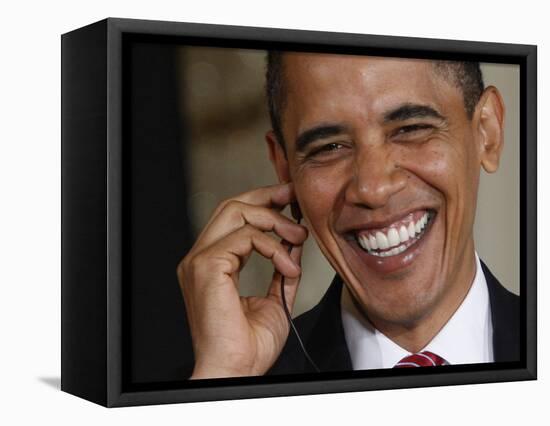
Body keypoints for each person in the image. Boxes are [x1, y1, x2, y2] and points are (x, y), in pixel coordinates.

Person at [177, 51, 519, 379]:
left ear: (486, 133)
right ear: (284, 166)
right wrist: (225, 379)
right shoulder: (229, 384)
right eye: (329, 147)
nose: (373, 189)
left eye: (410, 128)